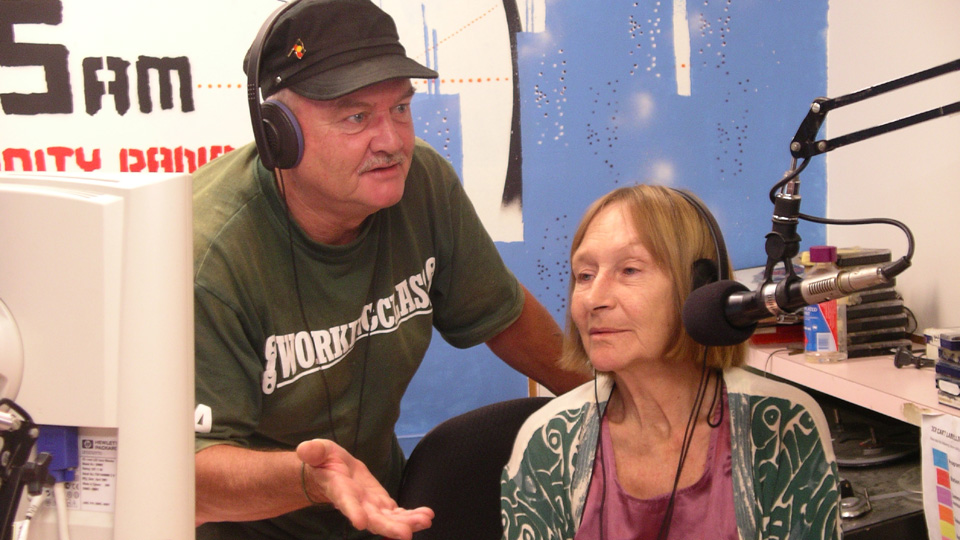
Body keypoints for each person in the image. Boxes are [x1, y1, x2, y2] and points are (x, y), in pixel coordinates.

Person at [191, 1, 588, 539]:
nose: (393, 141)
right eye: (356, 117)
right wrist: (314, 480)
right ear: (279, 133)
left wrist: (615, 402)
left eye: (400, 108)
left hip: (380, 513)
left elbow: (503, 315)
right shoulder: (207, 257)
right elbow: (188, 474)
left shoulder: (421, 182)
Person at [500, 185, 842, 539]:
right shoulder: (548, 442)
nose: (593, 299)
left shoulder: (782, 426)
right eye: (585, 276)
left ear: (700, 288)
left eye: (629, 270)